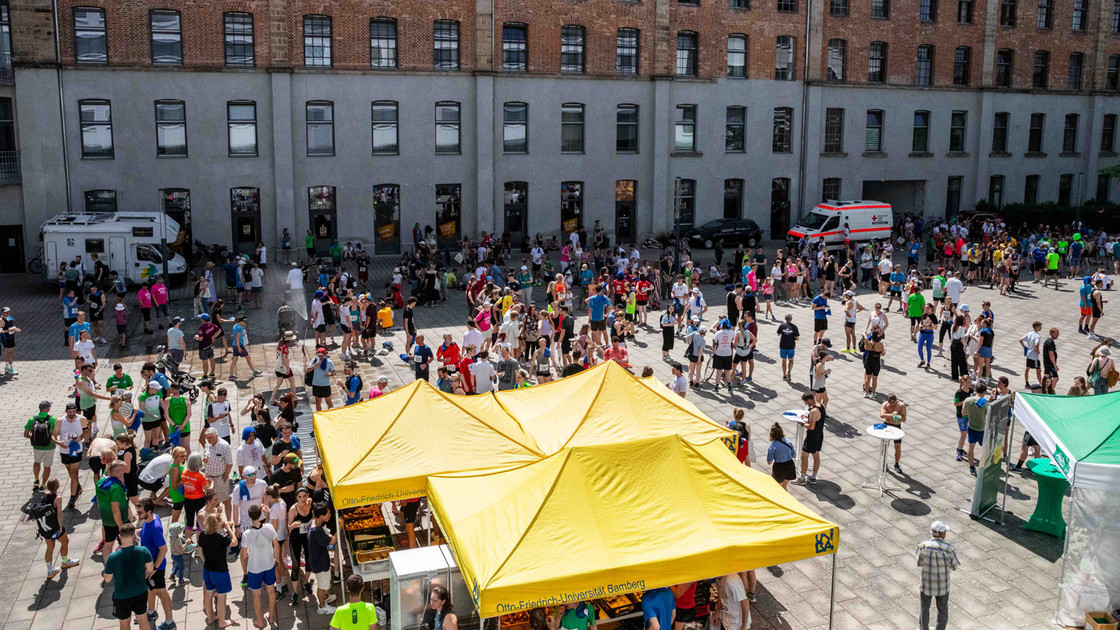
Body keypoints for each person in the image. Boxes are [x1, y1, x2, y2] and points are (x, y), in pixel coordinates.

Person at [103, 522, 154, 630]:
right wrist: (141, 577)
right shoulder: (143, 551)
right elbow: (150, 569)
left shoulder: (113, 557)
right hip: (140, 591)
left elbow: (107, 579)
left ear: (120, 536)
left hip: (121, 595)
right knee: (142, 619)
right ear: (134, 536)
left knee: (124, 623)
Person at [136, 498, 175, 629]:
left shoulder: (155, 528)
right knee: (150, 588)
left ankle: (170, 622)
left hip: (156, 567)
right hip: (149, 565)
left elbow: (163, 549)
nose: (138, 515)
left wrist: (154, 568)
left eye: (140, 513)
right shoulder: (152, 518)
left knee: (161, 592)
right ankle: (151, 612)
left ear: (149, 511)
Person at [241, 504, 280, 628]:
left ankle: (260, 621)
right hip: (269, 564)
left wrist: (245, 569)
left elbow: (244, 554)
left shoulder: (247, 534)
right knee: (271, 591)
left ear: (249, 516)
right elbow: (276, 545)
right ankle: (271, 617)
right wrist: (277, 559)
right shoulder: (268, 527)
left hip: (254, 568)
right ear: (261, 515)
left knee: (256, 595)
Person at [916, 520, 959, 630]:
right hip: (942, 585)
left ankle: (923, 628)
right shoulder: (948, 548)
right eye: (945, 531)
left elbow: (919, 563)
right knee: (942, 609)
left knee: (924, 608)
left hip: (926, 584)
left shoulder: (923, 546)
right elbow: (954, 566)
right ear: (940, 533)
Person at [36, 478, 80, 579]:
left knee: (50, 548)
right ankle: (65, 561)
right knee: (65, 542)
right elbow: (59, 513)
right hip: (55, 526)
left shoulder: (44, 498)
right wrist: (60, 527)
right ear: (57, 486)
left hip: (46, 528)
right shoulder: (58, 498)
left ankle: (50, 570)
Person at [308, 502, 339, 615]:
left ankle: (325, 597)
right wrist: (339, 527)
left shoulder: (313, 524)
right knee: (322, 585)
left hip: (317, 559)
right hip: (320, 563)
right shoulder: (317, 531)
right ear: (321, 515)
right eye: (328, 513)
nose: (330, 515)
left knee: (323, 583)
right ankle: (322, 606)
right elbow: (331, 541)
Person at [25, 400, 58, 491]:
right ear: (47, 409)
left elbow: (25, 434)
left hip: (37, 446)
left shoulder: (32, 419)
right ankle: (43, 484)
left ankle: (36, 479)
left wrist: (34, 438)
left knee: (37, 462)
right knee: (47, 466)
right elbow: (55, 433)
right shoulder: (52, 419)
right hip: (49, 446)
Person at [793, 392, 825, 485]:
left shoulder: (814, 411)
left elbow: (811, 426)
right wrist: (808, 417)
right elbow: (817, 418)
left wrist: (801, 423)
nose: (806, 404)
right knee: (816, 456)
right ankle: (813, 477)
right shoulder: (821, 405)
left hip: (812, 436)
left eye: (806, 402)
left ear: (810, 400)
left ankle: (802, 478)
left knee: (804, 455)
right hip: (819, 435)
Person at [962, 382, 989, 475]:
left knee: (970, 446)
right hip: (982, 428)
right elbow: (989, 415)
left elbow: (963, 413)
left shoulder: (968, 400)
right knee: (986, 448)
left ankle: (972, 467)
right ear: (984, 392)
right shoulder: (985, 403)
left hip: (971, 427)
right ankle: (984, 466)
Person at [880, 394, 907, 474]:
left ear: (896, 400)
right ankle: (884, 463)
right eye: (890, 403)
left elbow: (904, 419)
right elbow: (882, 415)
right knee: (884, 445)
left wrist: (897, 416)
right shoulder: (885, 404)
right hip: (887, 425)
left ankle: (897, 464)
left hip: (896, 426)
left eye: (893, 403)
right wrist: (892, 415)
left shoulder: (901, 405)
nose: (891, 405)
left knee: (897, 446)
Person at [766, 423, 798, 490]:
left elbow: (769, 462)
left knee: (778, 488)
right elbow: (794, 455)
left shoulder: (772, 446)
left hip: (779, 467)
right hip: (789, 465)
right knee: (784, 485)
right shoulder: (788, 442)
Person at [1019, 321, 1043, 387]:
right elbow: (1036, 344)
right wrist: (1037, 350)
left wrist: (1024, 347)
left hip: (1028, 354)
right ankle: (1041, 383)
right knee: (1038, 370)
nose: (1041, 328)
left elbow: (1020, 340)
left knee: (1027, 368)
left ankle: (1026, 382)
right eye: (1040, 326)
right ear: (1037, 327)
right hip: (1034, 355)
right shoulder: (1038, 336)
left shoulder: (1029, 333)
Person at [776, 314, 799, 381]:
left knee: (783, 360)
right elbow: (797, 338)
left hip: (783, 346)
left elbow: (778, 334)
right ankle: (789, 371)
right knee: (791, 360)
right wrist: (792, 337)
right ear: (791, 319)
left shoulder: (782, 325)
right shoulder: (794, 327)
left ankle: (784, 375)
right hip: (791, 346)